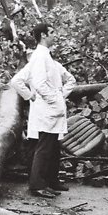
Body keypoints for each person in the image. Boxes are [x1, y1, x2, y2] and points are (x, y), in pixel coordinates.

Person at [10, 23, 76, 198]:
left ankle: (50, 181)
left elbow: (18, 80)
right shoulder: (40, 57)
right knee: (45, 147)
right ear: (44, 35)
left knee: (53, 146)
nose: (55, 35)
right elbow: (39, 84)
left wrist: (56, 96)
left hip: (50, 109)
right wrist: (53, 99)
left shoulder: (46, 57)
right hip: (47, 109)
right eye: (52, 32)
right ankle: (37, 185)